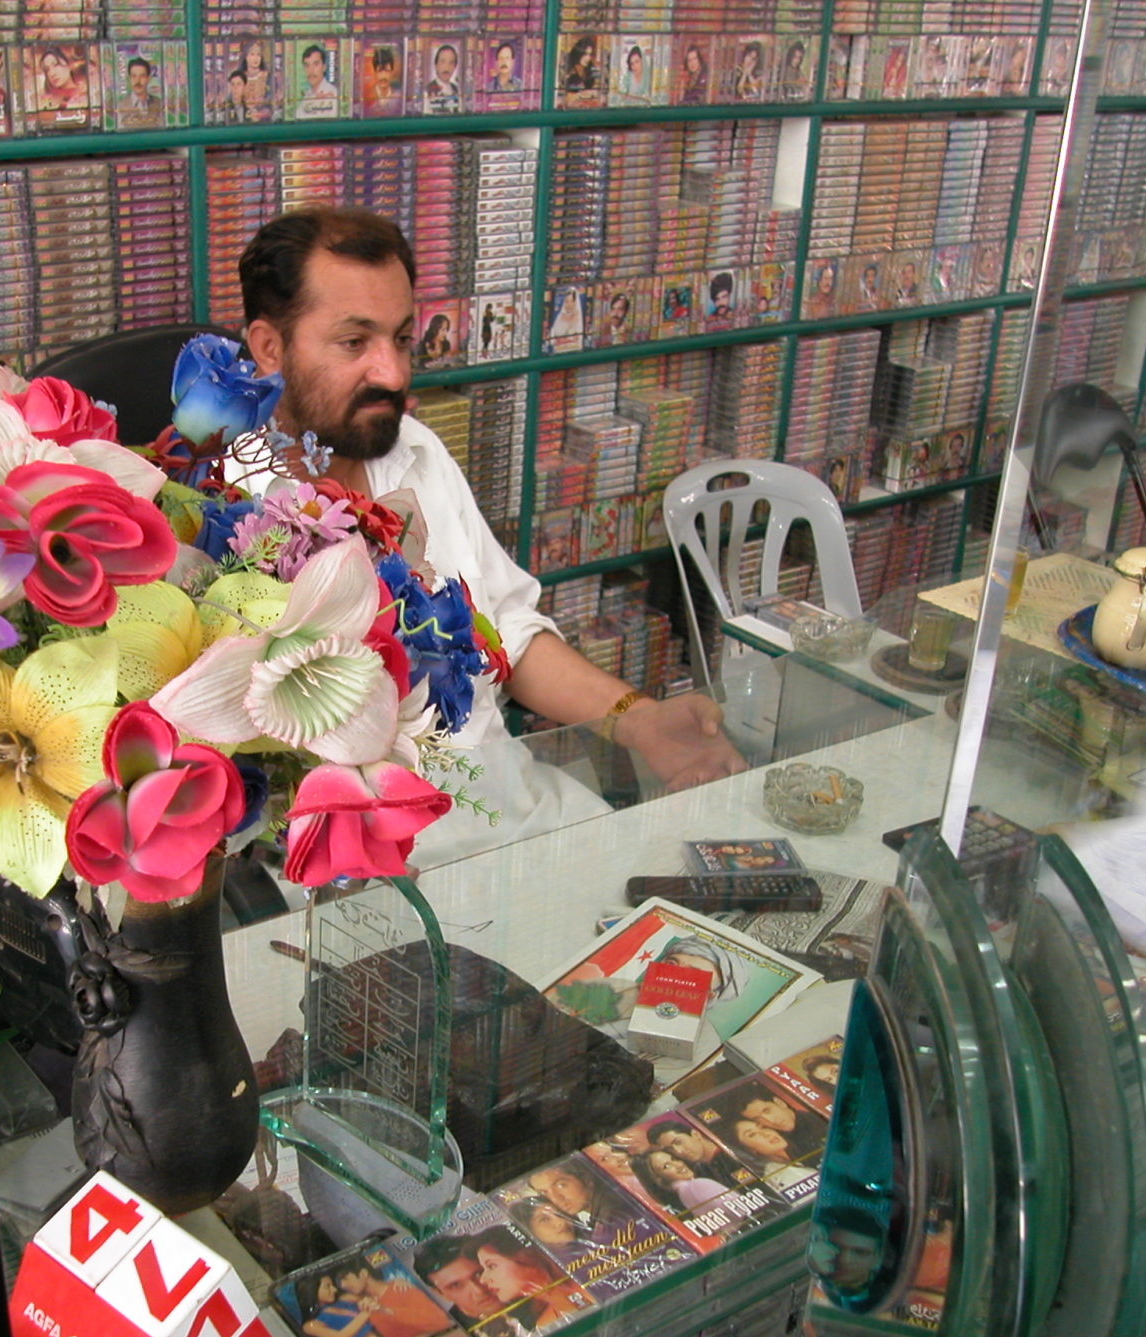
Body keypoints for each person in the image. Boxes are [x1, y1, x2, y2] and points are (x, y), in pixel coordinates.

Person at [233, 208, 745, 828]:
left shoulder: (416, 450)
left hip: (514, 807)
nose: (393, 373)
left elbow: (504, 630)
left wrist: (637, 719)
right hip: (363, 865)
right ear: (269, 348)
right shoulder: (226, 514)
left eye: (399, 338)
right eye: (353, 342)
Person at [466, 1227, 585, 1333]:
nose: (483, 1280)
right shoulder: (543, 1323)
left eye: (491, 1266)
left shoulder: (587, 1281)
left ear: (525, 1257)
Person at [633, 1147, 732, 1212]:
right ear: (658, 1179)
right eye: (666, 1166)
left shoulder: (684, 1194)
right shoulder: (698, 1184)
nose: (679, 1165)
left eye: (674, 1159)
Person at [120, 54, 163, 128]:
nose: (138, 81)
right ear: (129, 79)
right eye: (134, 76)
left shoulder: (160, 104)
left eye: (142, 76)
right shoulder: (120, 107)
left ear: (148, 79)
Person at [425, 42, 462, 110]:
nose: (446, 67)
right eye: (442, 62)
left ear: (455, 66)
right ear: (436, 65)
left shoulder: (456, 90)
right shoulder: (428, 90)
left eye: (451, 63)